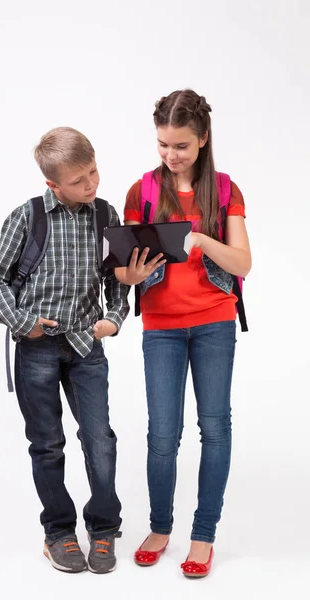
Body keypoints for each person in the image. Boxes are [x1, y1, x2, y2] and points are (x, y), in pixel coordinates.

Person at [115, 89, 251, 577]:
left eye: (181, 146)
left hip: (214, 321)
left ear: (203, 139)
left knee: (214, 428)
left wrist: (200, 238)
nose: (171, 156)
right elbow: (123, 268)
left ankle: (204, 535)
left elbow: (243, 264)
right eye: (163, 145)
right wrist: (128, 276)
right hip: (162, 328)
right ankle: (160, 525)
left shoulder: (226, 190)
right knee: (162, 435)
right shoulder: (142, 191)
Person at [0, 127, 129, 574]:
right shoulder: (27, 217)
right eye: (80, 180)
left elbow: (118, 276)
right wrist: (25, 325)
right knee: (47, 445)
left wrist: (115, 318)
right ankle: (59, 532)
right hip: (39, 348)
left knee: (99, 439)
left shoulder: (105, 214)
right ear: (53, 184)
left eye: (94, 171)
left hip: (87, 346)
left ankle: (103, 529)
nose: (92, 184)